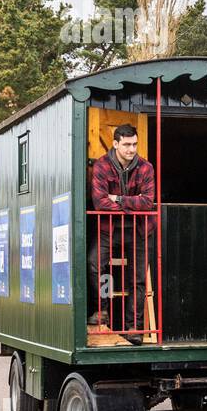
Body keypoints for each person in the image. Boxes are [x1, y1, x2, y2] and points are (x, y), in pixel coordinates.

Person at [89, 123, 156, 345]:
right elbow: (100, 202)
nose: (131, 149)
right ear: (116, 144)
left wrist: (117, 199)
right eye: (127, 144)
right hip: (109, 228)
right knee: (96, 264)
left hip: (139, 229)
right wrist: (130, 205)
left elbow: (147, 203)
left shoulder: (146, 167)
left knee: (136, 279)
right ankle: (103, 311)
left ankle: (133, 327)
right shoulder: (101, 166)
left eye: (134, 144)